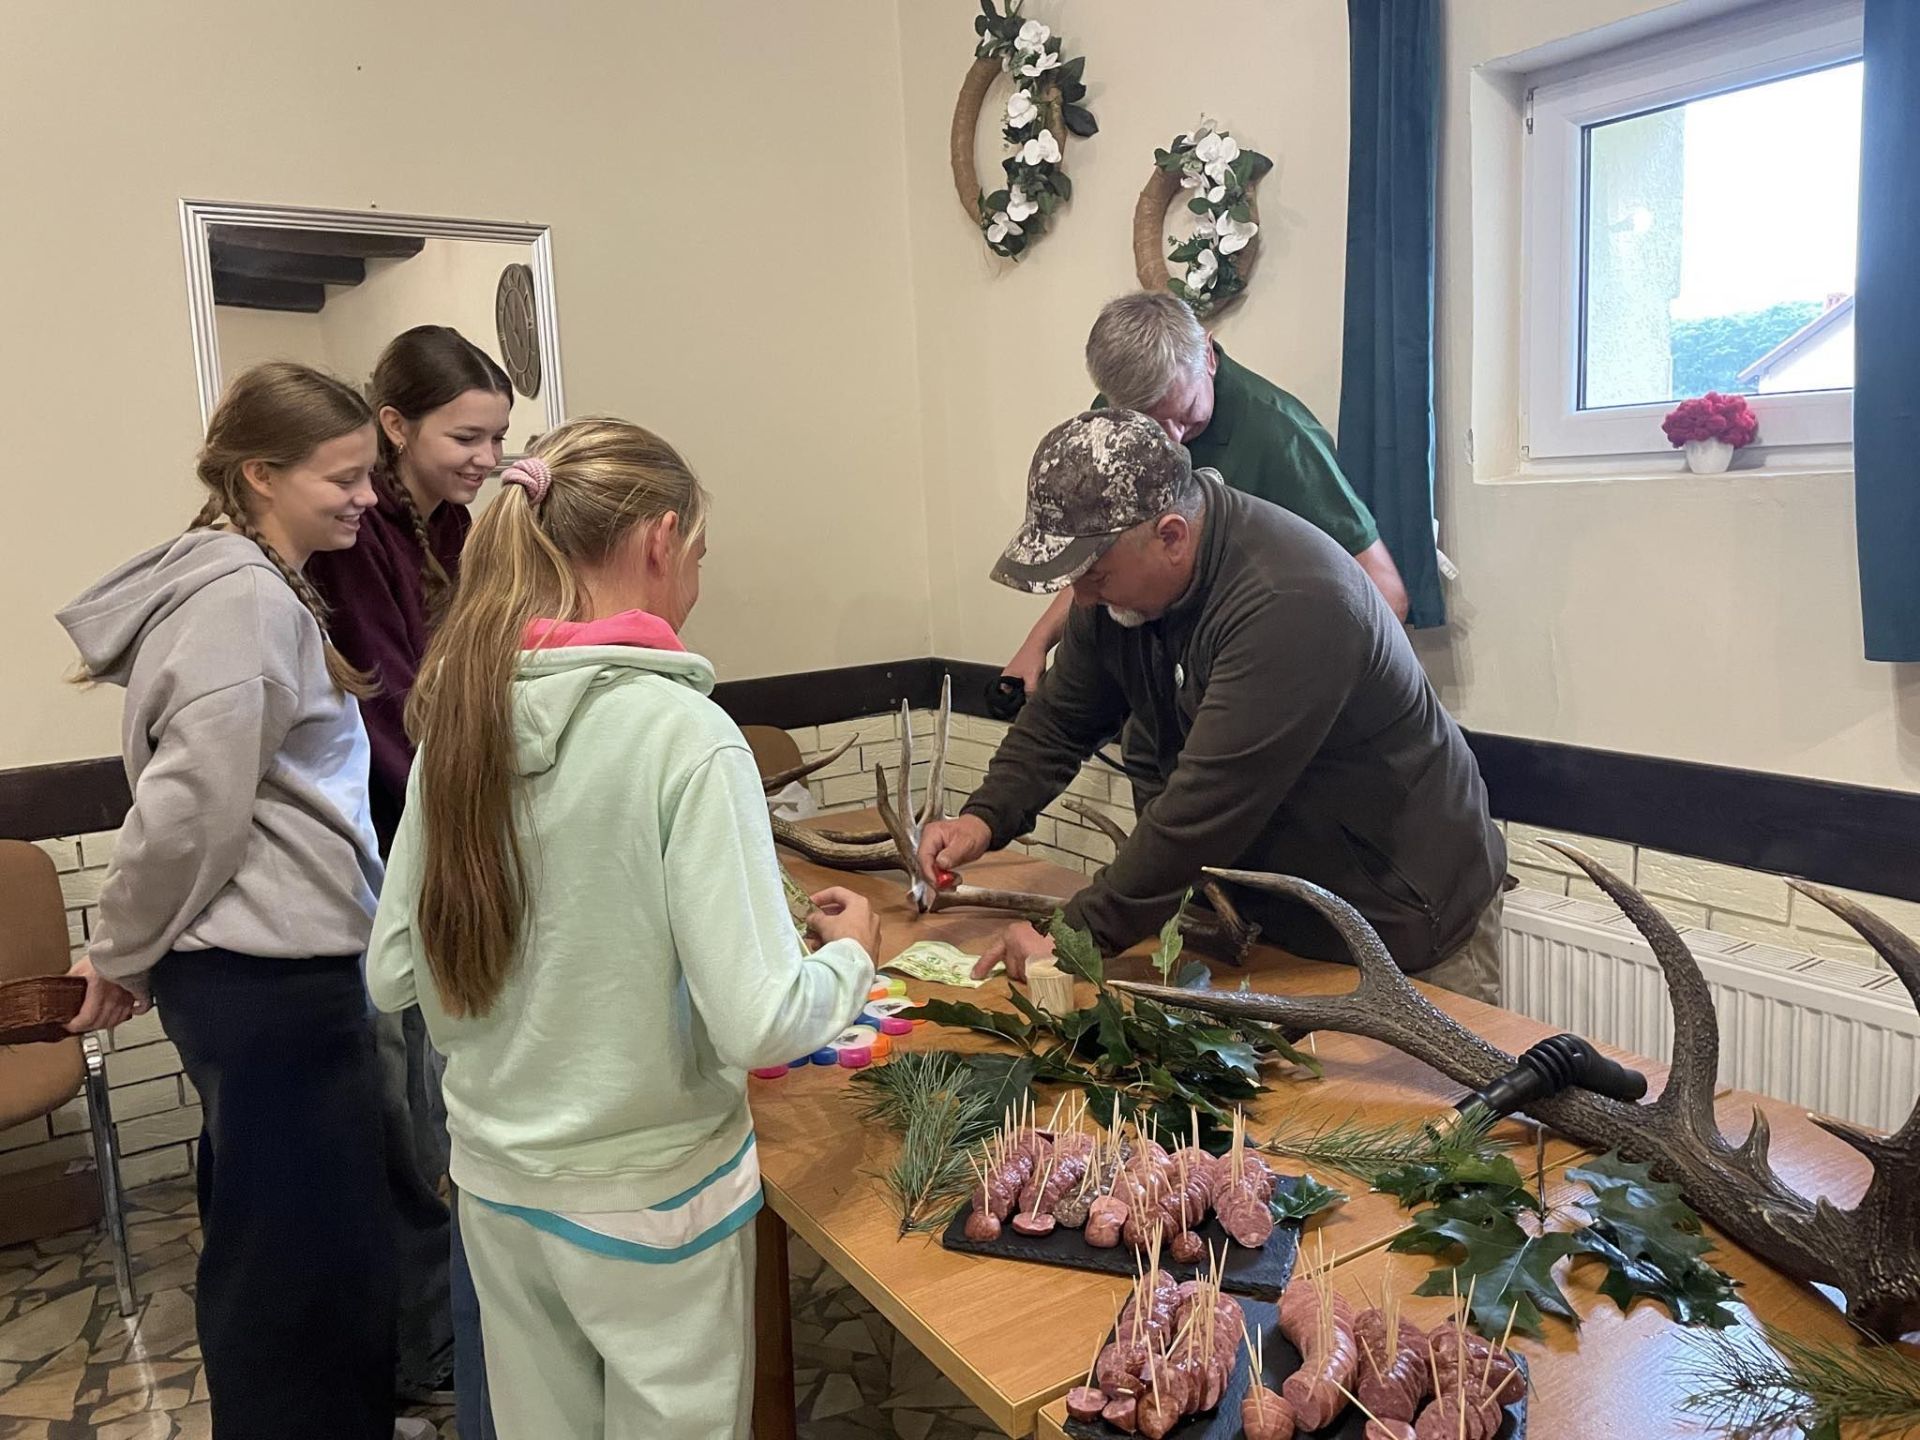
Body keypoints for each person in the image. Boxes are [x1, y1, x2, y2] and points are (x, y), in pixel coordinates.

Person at [366, 418, 879, 1439]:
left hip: (499, 1190)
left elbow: (390, 974)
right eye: (699, 556)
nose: (695, 583)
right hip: (653, 1201)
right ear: (660, 539)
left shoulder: (461, 720)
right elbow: (762, 1022)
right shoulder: (684, 734)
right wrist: (855, 953)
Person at [58, 362, 397, 1439]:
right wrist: (119, 950)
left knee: (299, 1230)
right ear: (260, 474)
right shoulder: (242, 599)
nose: (367, 498)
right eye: (342, 477)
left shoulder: (256, 584)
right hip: (268, 983)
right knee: (295, 1254)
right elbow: (189, 809)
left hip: (271, 976)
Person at [923, 409, 1506, 1002]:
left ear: (1171, 536)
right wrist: (984, 818)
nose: (1083, 597)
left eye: (1094, 574)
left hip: (1403, 920)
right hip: (1273, 920)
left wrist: (1074, 936)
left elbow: (1205, 808)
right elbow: (1061, 719)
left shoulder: (1290, 601)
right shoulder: (1117, 598)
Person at [308, 324, 513, 1427]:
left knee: (442, 1099)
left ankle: (447, 1335)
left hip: (439, 835)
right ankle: (422, 1347)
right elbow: (389, 707)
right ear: (394, 425)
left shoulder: (454, 525)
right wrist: (464, 806)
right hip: (390, 845)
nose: (486, 457)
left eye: (499, 438)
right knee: (406, 1116)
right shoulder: (359, 536)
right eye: (465, 437)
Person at [1001, 292, 1410, 696]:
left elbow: (1387, 595)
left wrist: (1299, 691)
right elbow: (1101, 555)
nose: (1171, 439)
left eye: (1184, 413)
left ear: (1208, 356)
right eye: (1147, 420)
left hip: (1257, 673)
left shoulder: (1282, 438)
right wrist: (1037, 642)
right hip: (1166, 675)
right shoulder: (1116, 424)